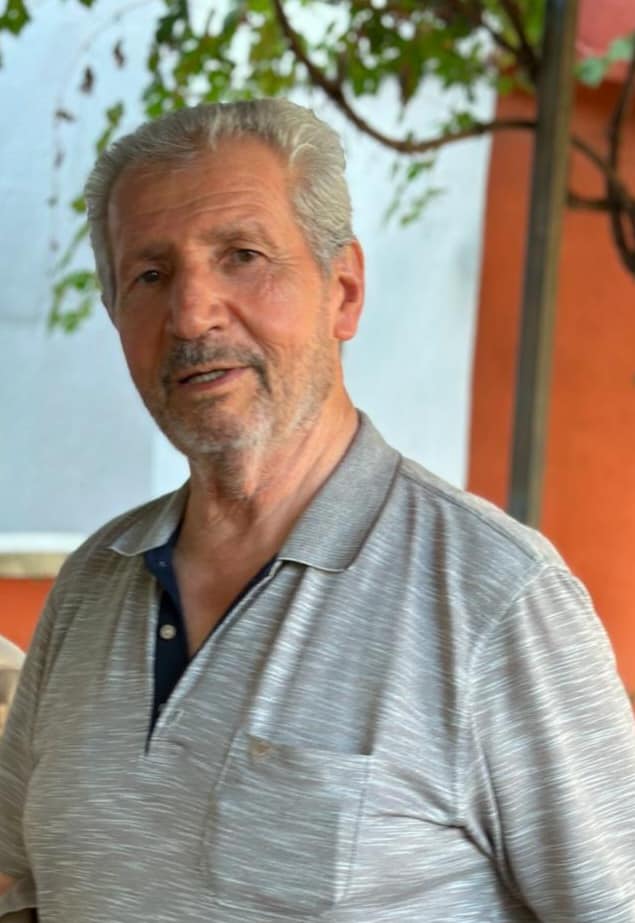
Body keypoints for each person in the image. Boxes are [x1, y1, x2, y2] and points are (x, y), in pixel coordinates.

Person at [1, 98, 634, 923]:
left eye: (242, 255)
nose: (191, 312)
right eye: (149, 275)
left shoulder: (495, 598)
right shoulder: (92, 582)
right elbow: (24, 888)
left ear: (343, 290)